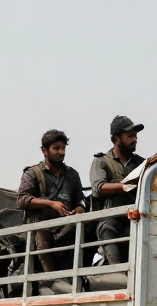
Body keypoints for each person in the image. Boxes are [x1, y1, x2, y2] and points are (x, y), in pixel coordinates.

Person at [17, 130, 85, 277]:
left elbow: (81, 199)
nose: (61, 152)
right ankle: (49, 280)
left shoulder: (72, 174)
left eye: (63, 148)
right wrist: (50, 203)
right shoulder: (33, 173)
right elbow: (22, 199)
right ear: (44, 150)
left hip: (66, 227)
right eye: (56, 148)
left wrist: (79, 209)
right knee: (43, 238)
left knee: (85, 229)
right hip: (41, 228)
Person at [89, 115, 144, 266]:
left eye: (135, 136)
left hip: (133, 219)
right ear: (116, 138)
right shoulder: (101, 161)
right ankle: (115, 273)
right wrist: (124, 186)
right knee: (107, 229)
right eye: (130, 136)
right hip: (111, 220)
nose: (135, 140)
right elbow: (98, 188)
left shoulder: (141, 163)